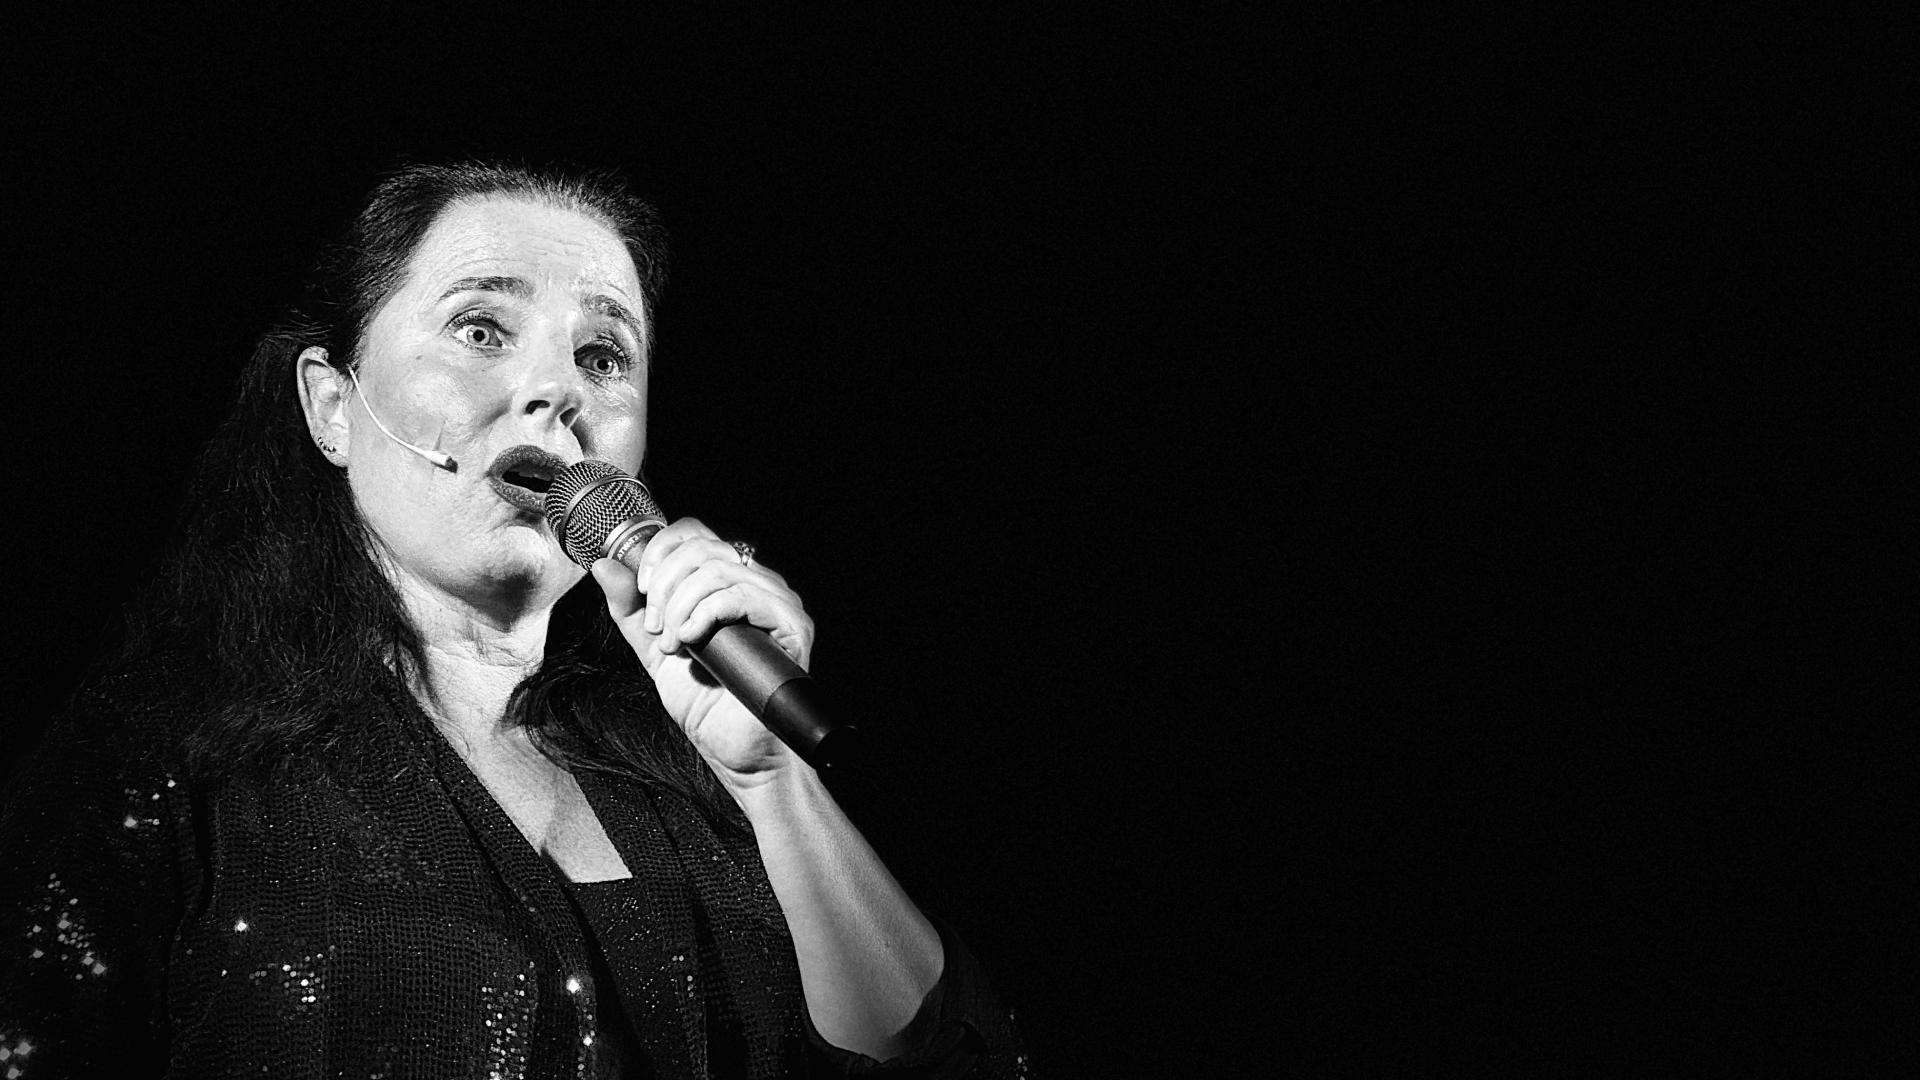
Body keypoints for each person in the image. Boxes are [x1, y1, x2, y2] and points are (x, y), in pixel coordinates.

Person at [0, 162, 1025, 1078]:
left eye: (604, 355)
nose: (554, 391)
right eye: (481, 330)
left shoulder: (698, 775)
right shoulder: (159, 762)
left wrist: (772, 781)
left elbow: (949, 1062)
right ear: (332, 407)